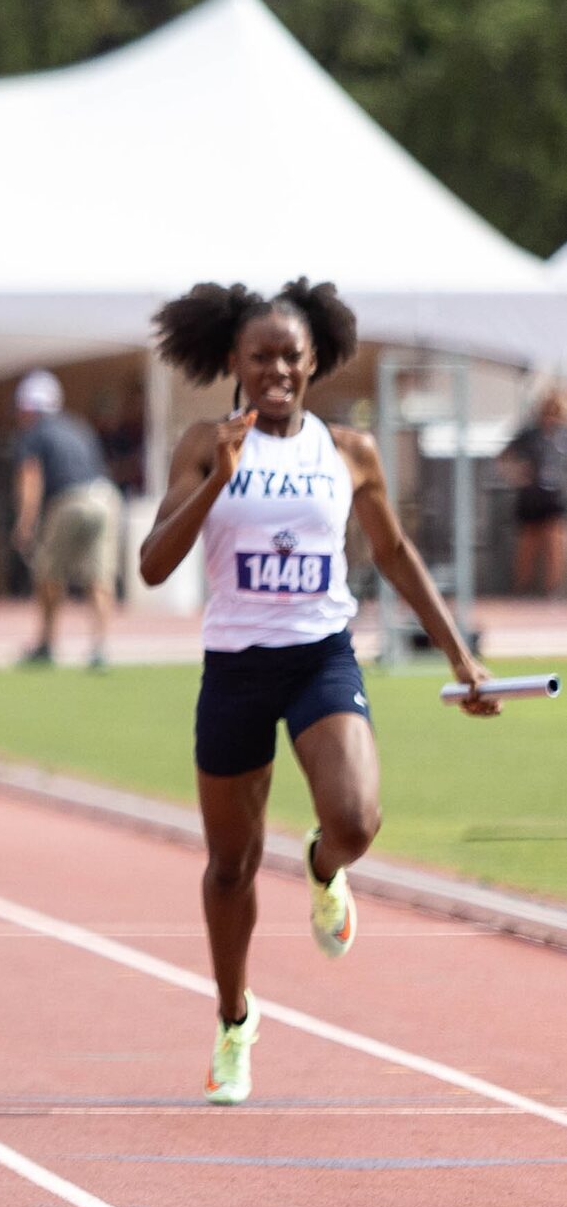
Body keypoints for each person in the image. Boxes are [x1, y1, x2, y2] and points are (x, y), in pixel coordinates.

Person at [137, 280, 496, 1107]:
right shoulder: (204, 443)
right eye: (258, 357)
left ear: (313, 362)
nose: (275, 371)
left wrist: (460, 658)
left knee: (356, 820)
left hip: (318, 657)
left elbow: (395, 552)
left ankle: (321, 864)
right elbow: (154, 563)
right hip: (234, 665)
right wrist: (214, 481)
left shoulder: (347, 452)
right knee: (228, 865)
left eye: (289, 357)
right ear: (231, 360)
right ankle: (234, 1021)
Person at [11, 369, 123, 670]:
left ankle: (47, 643)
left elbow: (30, 478)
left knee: (49, 574)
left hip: (70, 501)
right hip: (105, 497)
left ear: (27, 407)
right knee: (99, 577)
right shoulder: (77, 426)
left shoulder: (33, 433)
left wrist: (25, 522)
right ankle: (100, 648)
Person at [499, 388, 567, 598]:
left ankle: (551, 589)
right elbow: (504, 456)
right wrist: (517, 474)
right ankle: (522, 588)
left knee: (555, 543)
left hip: (554, 497)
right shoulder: (529, 434)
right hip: (531, 497)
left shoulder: (562, 437)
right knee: (528, 544)